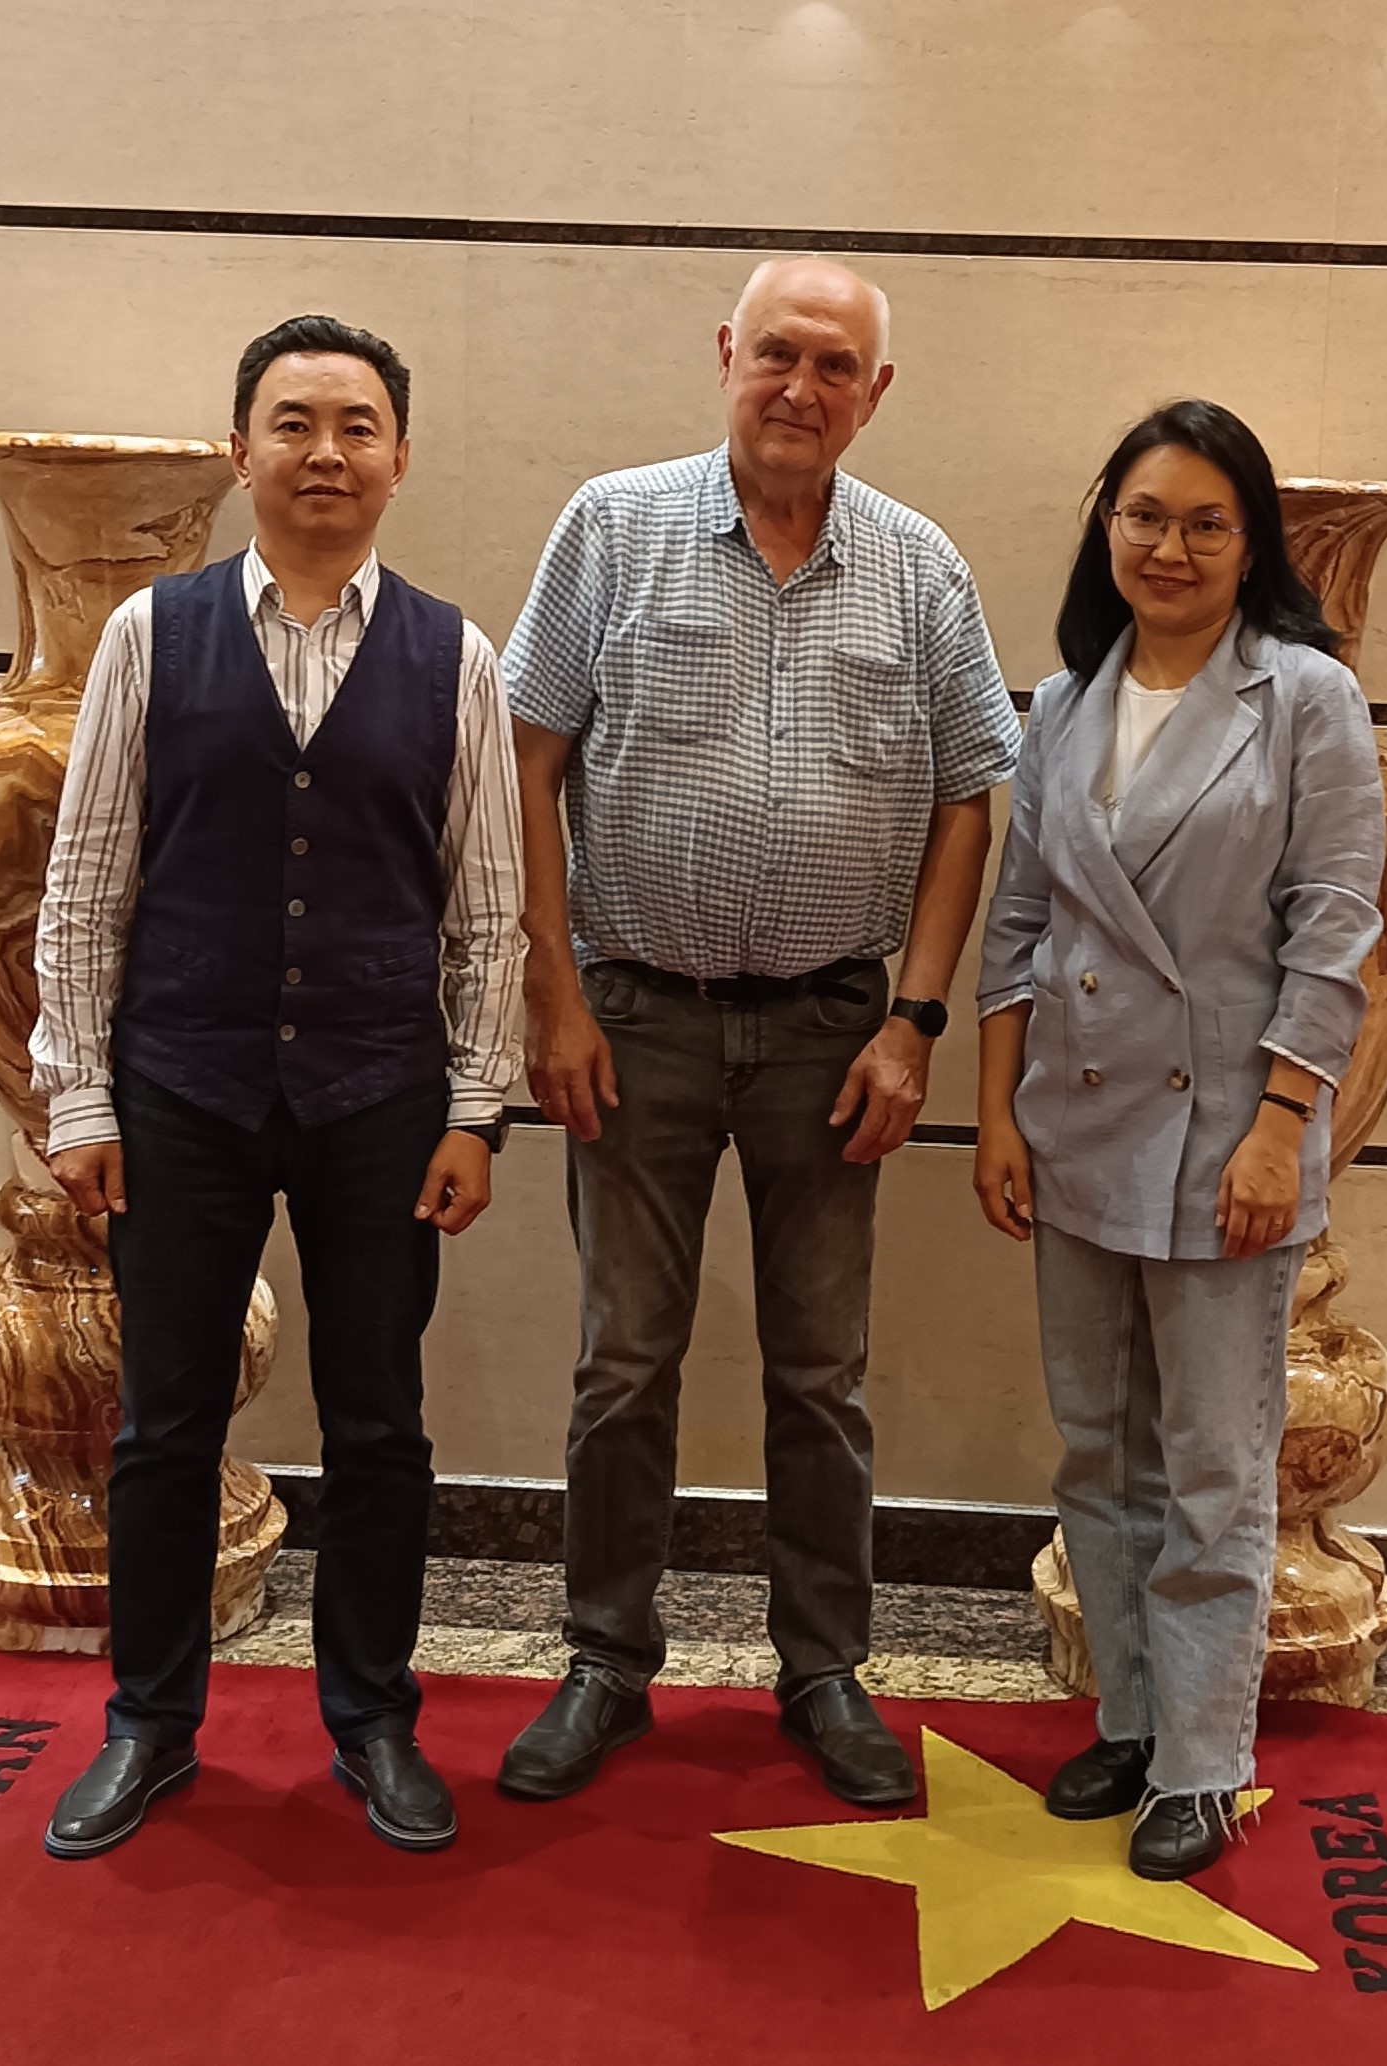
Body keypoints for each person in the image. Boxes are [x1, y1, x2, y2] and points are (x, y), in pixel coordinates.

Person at [497, 258, 1022, 1808]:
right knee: (621, 1363)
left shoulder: (919, 566)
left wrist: (915, 1020)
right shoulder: (613, 526)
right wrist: (551, 993)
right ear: (728, 353)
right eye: (778, 352)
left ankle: (824, 1670)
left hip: (833, 1034)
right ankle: (605, 1661)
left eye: (836, 364)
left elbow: (970, 794)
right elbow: (525, 758)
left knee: (821, 1372)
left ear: (877, 391)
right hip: (635, 1020)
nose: (802, 385)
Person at [31, 314, 526, 1860]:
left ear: (400, 456)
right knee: (165, 1423)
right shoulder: (148, 633)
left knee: (381, 1421)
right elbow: (86, 878)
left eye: (357, 425)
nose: (326, 452)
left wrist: (475, 1108)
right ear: (240, 451)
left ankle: (374, 1718)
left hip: (383, 1092)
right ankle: (150, 1721)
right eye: (295, 423)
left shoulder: (458, 656)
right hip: (180, 1082)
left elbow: (490, 905)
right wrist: (79, 1096)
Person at [974, 399, 1386, 1881]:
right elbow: (1018, 926)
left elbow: (1334, 933)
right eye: (1145, 515)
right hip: (1076, 1128)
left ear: (1252, 542)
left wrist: (1281, 1128)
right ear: (1107, 525)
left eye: (1209, 522)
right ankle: (1133, 1717)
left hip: (1227, 1143)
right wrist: (999, 1113)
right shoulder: (1061, 702)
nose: (1172, 546)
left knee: (1214, 1465)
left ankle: (1204, 1762)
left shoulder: (1307, 697)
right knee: (1100, 1452)